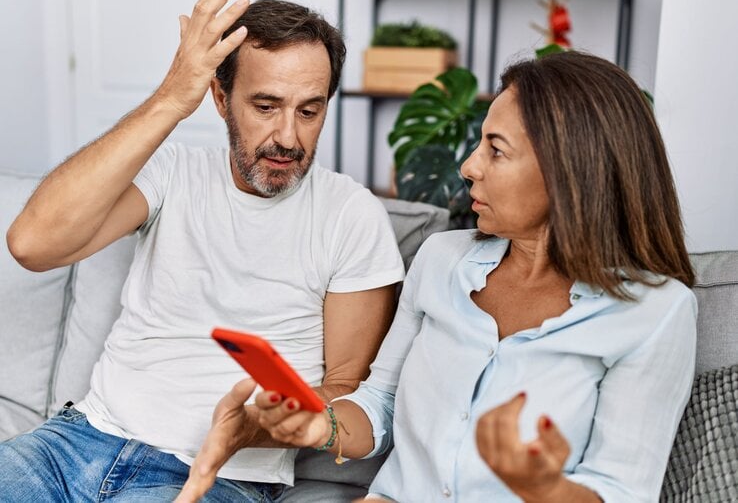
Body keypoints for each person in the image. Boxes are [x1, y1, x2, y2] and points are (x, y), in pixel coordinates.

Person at [177, 51, 697, 502]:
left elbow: (623, 491)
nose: (469, 167)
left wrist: (540, 487)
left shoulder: (654, 311)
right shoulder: (442, 259)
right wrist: (321, 425)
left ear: (570, 171)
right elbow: (379, 402)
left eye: (496, 150)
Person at [1, 0, 404, 502]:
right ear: (219, 96)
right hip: (76, 442)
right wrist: (171, 98)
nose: (288, 137)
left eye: (309, 110)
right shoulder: (172, 173)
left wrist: (259, 426)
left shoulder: (351, 215)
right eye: (265, 106)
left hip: (221, 475)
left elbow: (348, 389)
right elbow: (33, 244)